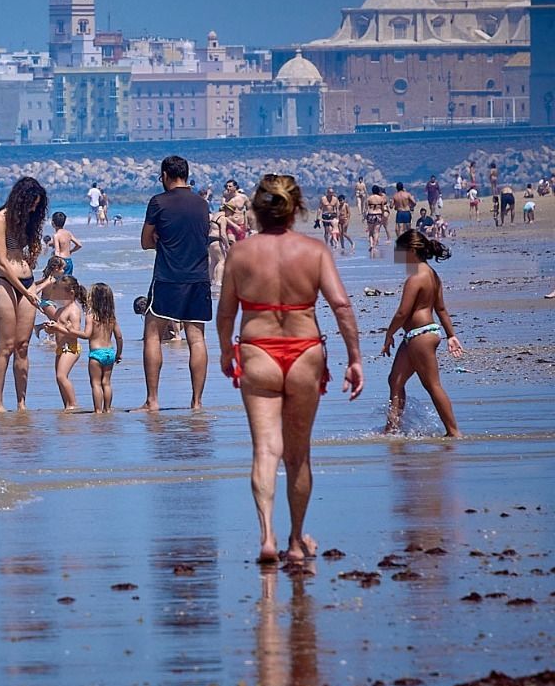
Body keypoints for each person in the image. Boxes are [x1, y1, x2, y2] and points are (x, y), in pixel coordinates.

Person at [216, 175, 364, 565]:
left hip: (258, 350)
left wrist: (224, 351)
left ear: (256, 210)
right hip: (305, 352)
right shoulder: (313, 251)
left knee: (265, 450)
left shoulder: (241, 253)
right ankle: (297, 542)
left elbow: (226, 311)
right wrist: (354, 358)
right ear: (296, 209)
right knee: (298, 455)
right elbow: (342, 306)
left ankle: (267, 536)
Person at [135, 156, 212, 412]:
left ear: (166, 175)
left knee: (152, 335)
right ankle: (197, 402)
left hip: (168, 276)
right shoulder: (202, 204)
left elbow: (145, 242)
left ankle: (152, 400)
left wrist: (162, 241)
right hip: (198, 277)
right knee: (197, 338)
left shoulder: (158, 202)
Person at [381, 230, 463, 438]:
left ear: (411, 251)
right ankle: (392, 429)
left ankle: (454, 432)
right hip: (417, 336)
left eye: (400, 252)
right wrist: (451, 335)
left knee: (432, 385)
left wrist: (389, 334)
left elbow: (402, 312)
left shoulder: (416, 278)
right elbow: (441, 309)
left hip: (421, 335)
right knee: (395, 381)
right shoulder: (433, 275)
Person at [0, 176, 49, 411]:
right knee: (6, 345)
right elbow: (2, 262)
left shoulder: (26, 219)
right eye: (32, 203)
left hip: (27, 280)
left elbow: (24, 252)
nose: (34, 208)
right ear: (21, 199)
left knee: (23, 345)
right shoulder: (0, 219)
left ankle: (22, 402)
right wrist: (26, 292)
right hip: (4, 282)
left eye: (37, 205)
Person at [42, 275, 87, 410]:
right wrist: (50, 329)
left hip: (71, 348)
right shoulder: (60, 310)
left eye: (59, 295)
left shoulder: (74, 311)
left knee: (61, 376)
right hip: (61, 348)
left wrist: (57, 327)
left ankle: (73, 404)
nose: (56, 298)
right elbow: (56, 329)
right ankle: (66, 404)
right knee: (59, 378)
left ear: (71, 293)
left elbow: (75, 332)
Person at [84, 282, 123, 413]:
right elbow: (119, 337)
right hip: (109, 353)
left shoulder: (91, 316)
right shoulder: (111, 318)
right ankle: (107, 408)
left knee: (95, 383)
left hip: (96, 353)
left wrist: (70, 330)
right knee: (106, 383)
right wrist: (118, 353)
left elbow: (87, 334)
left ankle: (98, 410)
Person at [47, 211, 83, 277]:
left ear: (52, 223)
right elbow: (79, 245)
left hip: (61, 262)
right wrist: (71, 251)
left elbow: (57, 251)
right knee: (67, 282)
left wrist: (54, 262)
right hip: (69, 261)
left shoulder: (56, 235)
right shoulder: (68, 233)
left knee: (58, 283)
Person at [364, 185, 390, 250]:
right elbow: (382, 208)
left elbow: (366, 209)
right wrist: (383, 214)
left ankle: (371, 244)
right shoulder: (381, 199)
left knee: (370, 232)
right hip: (378, 214)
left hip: (371, 214)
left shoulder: (369, 198)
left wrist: (365, 217)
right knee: (376, 231)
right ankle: (374, 246)